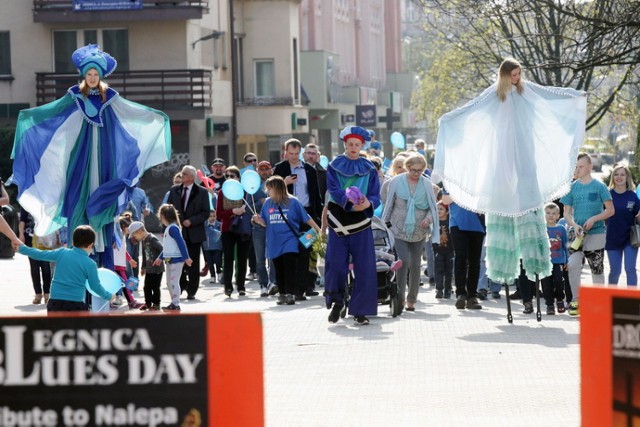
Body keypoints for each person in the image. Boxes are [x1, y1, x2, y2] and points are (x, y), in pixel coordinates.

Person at [11, 44, 171, 270]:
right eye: (89, 74)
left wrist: (153, 116)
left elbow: (130, 111)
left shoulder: (110, 97)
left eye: (96, 74)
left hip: (105, 153)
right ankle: (80, 252)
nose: (93, 77)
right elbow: (54, 110)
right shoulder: (75, 95)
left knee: (104, 192)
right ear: (84, 76)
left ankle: (103, 258)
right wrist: (31, 116)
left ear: (101, 76)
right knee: (79, 193)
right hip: (82, 153)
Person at [434, 58, 587, 287]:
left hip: (525, 155)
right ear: (504, 75)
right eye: (513, 75)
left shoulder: (527, 91)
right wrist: (449, 118)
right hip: (502, 156)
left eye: (519, 74)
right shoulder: (494, 94)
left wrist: (574, 96)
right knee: (503, 208)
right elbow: (472, 108)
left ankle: (536, 263)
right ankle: (502, 266)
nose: (517, 78)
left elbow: (549, 94)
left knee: (529, 204)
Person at [324, 126, 381, 325]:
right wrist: (349, 203)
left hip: (361, 220)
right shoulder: (334, 165)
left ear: (362, 145)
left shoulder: (370, 168)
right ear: (345, 145)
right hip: (339, 219)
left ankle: (360, 310)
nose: (354, 148)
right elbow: (333, 189)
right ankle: (337, 301)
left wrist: (367, 203)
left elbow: (375, 193)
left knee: (365, 267)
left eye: (357, 145)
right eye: (350, 145)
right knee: (336, 265)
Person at [381, 154, 439, 311]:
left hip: (419, 231)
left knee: (415, 264)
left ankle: (411, 299)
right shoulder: (395, 182)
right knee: (403, 261)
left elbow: (432, 207)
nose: (416, 173)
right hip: (398, 229)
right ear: (407, 168)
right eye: (413, 170)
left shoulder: (427, 184)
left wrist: (428, 220)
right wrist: (386, 224)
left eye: (420, 171)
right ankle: (398, 297)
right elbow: (387, 202)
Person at [252, 176, 321, 305]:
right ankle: (282, 294)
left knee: (289, 267)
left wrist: (319, 230)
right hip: (274, 241)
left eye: (269, 189)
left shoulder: (293, 202)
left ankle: (290, 294)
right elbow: (265, 222)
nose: (267, 191)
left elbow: (306, 218)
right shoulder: (267, 203)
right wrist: (258, 220)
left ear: (277, 188)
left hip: (290, 241)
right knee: (278, 269)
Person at [14, 225, 114, 313]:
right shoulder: (90, 264)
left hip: (54, 303)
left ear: (73, 242)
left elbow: (40, 254)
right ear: (91, 245)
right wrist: (109, 296)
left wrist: (22, 248)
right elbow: (95, 287)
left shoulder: (62, 253)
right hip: (75, 305)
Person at [560, 153, 614, 316]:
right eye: (576, 166)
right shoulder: (571, 187)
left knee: (596, 269)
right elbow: (566, 214)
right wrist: (574, 225)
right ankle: (576, 301)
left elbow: (610, 210)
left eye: (581, 166)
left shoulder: (600, 186)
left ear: (590, 167)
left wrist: (594, 218)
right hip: (577, 235)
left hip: (596, 234)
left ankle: (598, 304)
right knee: (574, 265)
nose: (577, 169)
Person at [274, 138, 323, 299]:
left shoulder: (309, 169)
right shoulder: (280, 169)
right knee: (290, 254)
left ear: (300, 152)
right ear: (286, 152)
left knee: (305, 251)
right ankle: (289, 288)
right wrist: (284, 182)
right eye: (291, 153)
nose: (294, 157)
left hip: (307, 215)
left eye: (296, 154)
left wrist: (319, 219)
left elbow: (316, 195)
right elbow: (273, 192)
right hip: (287, 216)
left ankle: (300, 289)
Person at [166, 165, 210, 299]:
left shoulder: (201, 192)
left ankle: (192, 290)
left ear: (191, 177)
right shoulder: (174, 191)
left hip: (194, 232)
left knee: (193, 262)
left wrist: (192, 221)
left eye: (184, 174)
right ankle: (182, 284)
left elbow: (205, 212)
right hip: (178, 233)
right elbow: (168, 210)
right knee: (177, 261)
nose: (181, 175)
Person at [442, 194, 485, 310]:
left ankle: (472, 296)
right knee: (460, 258)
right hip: (457, 223)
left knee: (474, 262)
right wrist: (464, 192)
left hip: (478, 223)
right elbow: (445, 200)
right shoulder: (453, 178)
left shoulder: (481, 178)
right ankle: (461, 294)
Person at [216, 166, 252, 297]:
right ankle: (228, 286)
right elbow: (219, 214)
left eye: (232, 176)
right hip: (227, 229)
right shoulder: (221, 192)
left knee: (242, 258)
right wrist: (233, 211)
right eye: (227, 176)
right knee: (228, 258)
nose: (229, 179)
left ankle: (241, 286)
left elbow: (252, 208)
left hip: (243, 228)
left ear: (238, 178)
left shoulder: (246, 191)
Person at [605, 164, 639, 285]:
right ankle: (611, 299)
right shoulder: (607, 195)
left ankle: (632, 302)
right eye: (616, 174)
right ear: (613, 177)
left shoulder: (633, 196)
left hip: (630, 239)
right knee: (615, 271)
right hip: (612, 238)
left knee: (630, 269)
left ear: (627, 177)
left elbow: (638, 216)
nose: (619, 177)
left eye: (622, 174)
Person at [156, 204, 192, 311]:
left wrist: (186, 257)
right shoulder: (168, 229)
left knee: (173, 282)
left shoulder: (173, 228)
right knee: (169, 282)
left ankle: (176, 303)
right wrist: (160, 257)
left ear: (164, 216)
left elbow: (181, 243)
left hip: (177, 260)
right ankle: (173, 302)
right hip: (169, 260)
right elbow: (167, 247)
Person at [252, 161, 277, 296]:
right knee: (260, 258)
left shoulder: (275, 185)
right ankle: (263, 284)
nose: (264, 172)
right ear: (257, 171)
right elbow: (248, 205)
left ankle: (273, 282)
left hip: (272, 225)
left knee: (273, 256)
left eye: (266, 169)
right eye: (261, 169)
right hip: (258, 227)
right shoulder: (253, 187)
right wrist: (259, 202)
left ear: (271, 170)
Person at [18, 207, 52, 305]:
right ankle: (38, 294)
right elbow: (22, 220)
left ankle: (47, 294)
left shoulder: (45, 202)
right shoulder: (26, 203)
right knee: (34, 268)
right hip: (30, 239)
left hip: (44, 239)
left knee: (46, 268)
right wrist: (21, 235)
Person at [129, 221, 164, 311]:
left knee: (155, 287)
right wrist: (143, 267)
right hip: (149, 269)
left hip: (156, 269)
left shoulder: (152, 239)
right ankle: (148, 303)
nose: (135, 238)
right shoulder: (143, 241)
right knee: (146, 287)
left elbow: (163, 249)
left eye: (135, 236)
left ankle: (156, 304)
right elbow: (145, 255)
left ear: (139, 232)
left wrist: (160, 259)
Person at [542, 202, 568, 315]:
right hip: (545, 263)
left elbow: (566, 245)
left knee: (559, 281)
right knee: (546, 284)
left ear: (558, 215)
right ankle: (549, 304)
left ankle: (560, 299)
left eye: (553, 213)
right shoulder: (541, 229)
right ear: (543, 215)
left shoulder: (561, 229)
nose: (550, 215)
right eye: (548, 213)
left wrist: (567, 260)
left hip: (558, 261)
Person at [433, 201, 454, 299]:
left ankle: (448, 289)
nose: (438, 211)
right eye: (437, 208)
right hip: (438, 251)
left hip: (449, 251)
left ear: (447, 211)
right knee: (438, 270)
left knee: (449, 271)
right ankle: (439, 289)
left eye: (441, 209)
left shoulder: (450, 223)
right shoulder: (434, 223)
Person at [202, 211, 223, 284]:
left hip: (217, 246)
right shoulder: (205, 225)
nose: (212, 218)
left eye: (214, 216)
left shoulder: (219, 225)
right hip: (207, 247)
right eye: (210, 216)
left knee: (218, 261)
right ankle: (212, 276)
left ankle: (219, 273)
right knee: (210, 262)